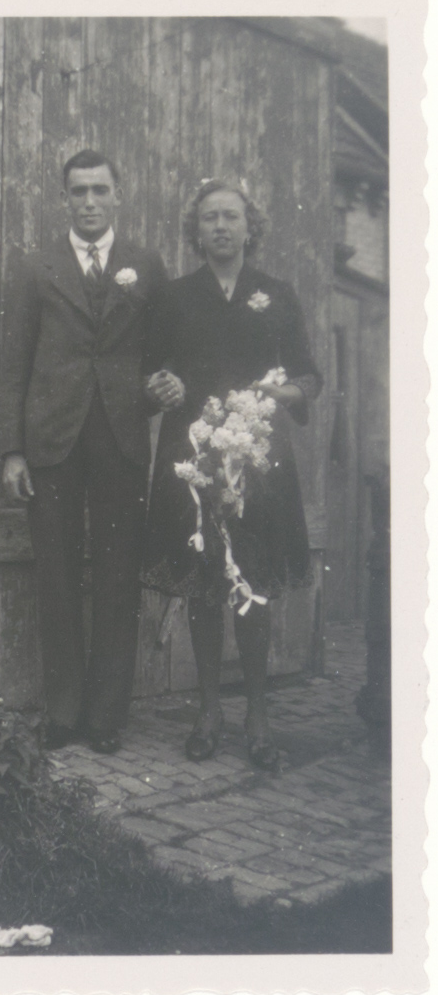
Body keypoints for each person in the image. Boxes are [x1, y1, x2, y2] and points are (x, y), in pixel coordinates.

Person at [141, 178, 322, 770]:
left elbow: (308, 375)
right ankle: (209, 712)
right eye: (210, 218)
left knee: (255, 584)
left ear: (250, 227)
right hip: (195, 457)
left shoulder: (276, 294)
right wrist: (161, 385)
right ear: (196, 231)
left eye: (231, 217)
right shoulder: (174, 297)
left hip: (258, 458)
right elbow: (150, 373)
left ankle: (258, 716)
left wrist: (286, 392)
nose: (221, 226)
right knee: (204, 584)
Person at [0, 149, 174, 754]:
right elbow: (12, 363)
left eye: (101, 190)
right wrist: (12, 450)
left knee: (119, 575)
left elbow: (161, 354)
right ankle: (64, 711)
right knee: (57, 574)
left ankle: (105, 716)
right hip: (53, 438)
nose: (90, 202)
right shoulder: (35, 267)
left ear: (118, 194)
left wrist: (156, 391)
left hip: (121, 435)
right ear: (64, 199)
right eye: (79, 191)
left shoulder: (145, 266)